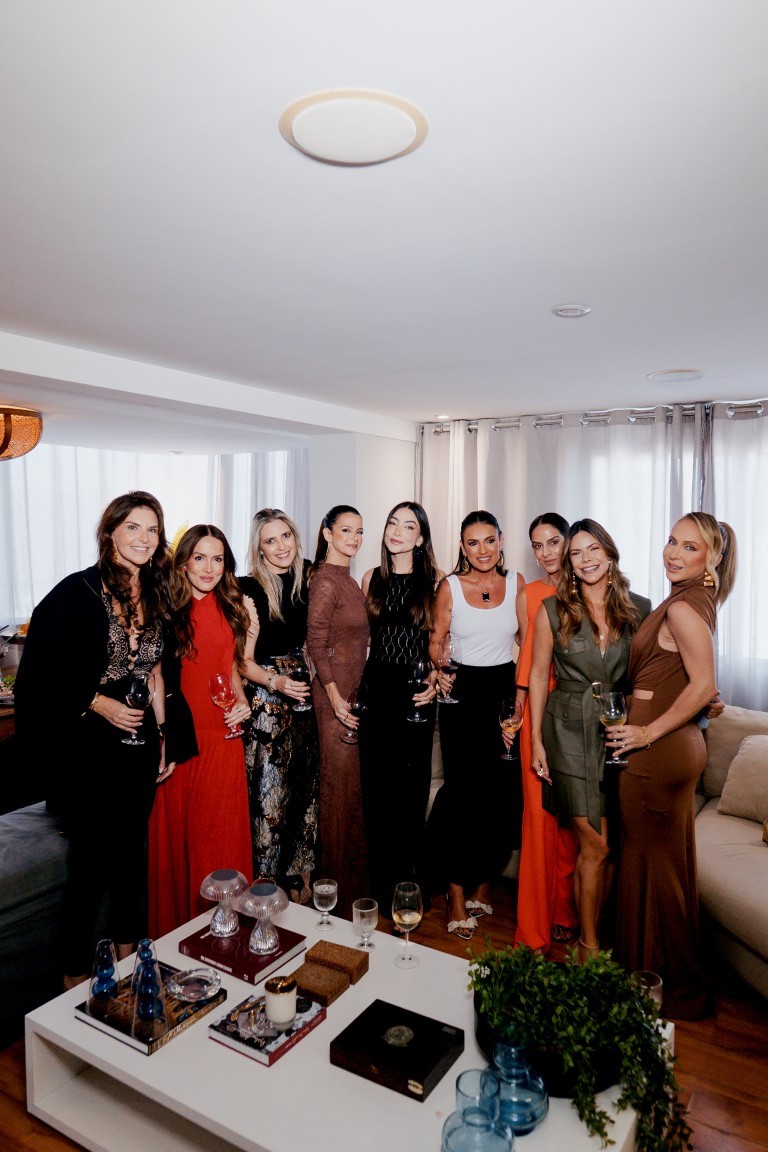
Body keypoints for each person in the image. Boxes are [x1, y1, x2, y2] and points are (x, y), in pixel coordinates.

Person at [14, 491, 196, 988]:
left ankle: (132, 968)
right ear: (110, 532)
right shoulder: (76, 593)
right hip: (86, 746)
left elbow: (157, 672)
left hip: (138, 746)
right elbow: (39, 673)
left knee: (132, 858)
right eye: (133, 527)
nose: (143, 538)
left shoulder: (157, 593)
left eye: (152, 529)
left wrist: (164, 736)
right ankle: (73, 981)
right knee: (90, 864)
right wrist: (98, 702)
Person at [612, 513, 737, 1019]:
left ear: (712, 558)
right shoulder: (693, 600)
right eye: (672, 541)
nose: (673, 552)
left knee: (652, 870)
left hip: (658, 755)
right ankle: (657, 976)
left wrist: (645, 732)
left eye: (690, 547)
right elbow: (695, 682)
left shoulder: (684, 607)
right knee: (659, 868)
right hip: (668, 752)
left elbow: (703, 684)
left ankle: (664, 982)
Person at [528, 518, 651, 962]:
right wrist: (536, 742)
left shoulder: (640, 608)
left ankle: (596, 933)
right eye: (576, 553)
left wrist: (704, 700)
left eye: (593, 549)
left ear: (610, 553)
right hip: (567, 731)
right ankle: (589, 946)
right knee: (595, 842)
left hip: (618, 734)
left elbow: (654, 671)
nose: (585, 559)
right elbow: (538, 675)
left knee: (609, 846)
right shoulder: (553, 609)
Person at [148, 524, 257, 938]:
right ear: (183, 563)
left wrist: (242, 702)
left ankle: (224, 933)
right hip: (182, 738)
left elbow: (231, 668)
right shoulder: (164, 609)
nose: (209, 568)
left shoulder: (232, 606)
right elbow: (156, 676)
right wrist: (162, 736)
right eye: (199, 558)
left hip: (224, 736)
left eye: (217, 559)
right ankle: (180, 938)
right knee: (180, 843)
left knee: (220, 838)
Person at [428, 510, 525, 941]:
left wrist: (521, 701)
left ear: (501, 541)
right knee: (461, 794)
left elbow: (527, 642)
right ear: (462, 547)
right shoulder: (449, 587)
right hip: (462, 696)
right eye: (473, 542)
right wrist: (440, 668)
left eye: (489, 540)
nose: (482, 550)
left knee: (499, 793)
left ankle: (483, 881)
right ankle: (454, 893)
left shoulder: (517, 583)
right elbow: (436, 641)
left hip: (503, 692)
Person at [358, 502, 441, 911]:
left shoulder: (436, 581)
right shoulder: (370, 577)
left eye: (409, 526)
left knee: (410, 791)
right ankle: (379, 884)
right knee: (376, 790)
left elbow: (444, 641)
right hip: (376, 692)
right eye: (393, 522)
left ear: (420, 538)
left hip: (414, 693)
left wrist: (436, 678)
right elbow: (362, 642)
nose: (397, 531)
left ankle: (408, 887)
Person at [238, 508, 320, 904]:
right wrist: (277, 682)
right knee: (269, 795)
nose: (281, 546)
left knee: (304, 788)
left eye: (286, 536)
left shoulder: (308, 579)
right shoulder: (249, 589)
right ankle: (264, 882)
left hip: (302, 698)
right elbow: (242, 662)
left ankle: (295, 874)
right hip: (268, 702)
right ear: (259, 548)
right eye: (270, 540)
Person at [512, 514, 580, 954]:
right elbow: (528, 660)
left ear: (569, 542)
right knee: (538, 820)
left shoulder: (589, 588)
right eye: (537, 546)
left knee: (572, 822)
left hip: (577, 713)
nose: (545, 553)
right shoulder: (530, 595)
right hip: (538, 712)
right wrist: (518, 714)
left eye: (553, 542)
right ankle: (533, 930)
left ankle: (565, 914)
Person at [306, 505, 370, 918]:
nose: (354, 538)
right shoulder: (326, 581)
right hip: (335, 701)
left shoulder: (348, 579)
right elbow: (316, 642)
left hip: (351, 694)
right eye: (346, 530)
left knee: (350, 791)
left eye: (359, 531)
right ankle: (334, 898)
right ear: (328, 533)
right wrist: (334, 697)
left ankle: (352, 889)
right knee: (338, 791)